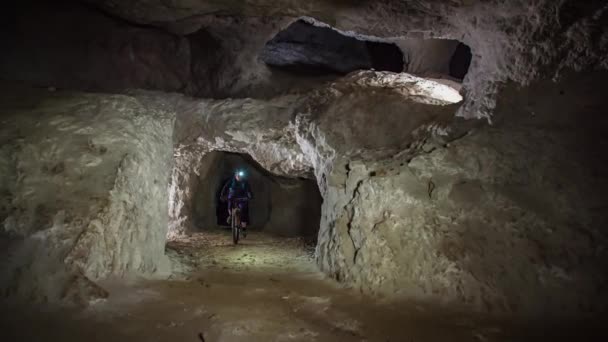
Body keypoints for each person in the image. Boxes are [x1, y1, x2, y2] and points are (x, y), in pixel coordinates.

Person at [220, 169, 253, 234]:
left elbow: (249, 190)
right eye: (238, 176)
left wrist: (250, 196)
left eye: (240, 176)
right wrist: (222, 195)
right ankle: (230, 215)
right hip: (233, 197)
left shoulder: (245, 182)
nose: (239, 177)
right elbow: (225, 187)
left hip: (242, 198)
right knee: (230, 203)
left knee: (243, 210)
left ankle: (243, 228)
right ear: (235, 175)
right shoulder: (231, 181)